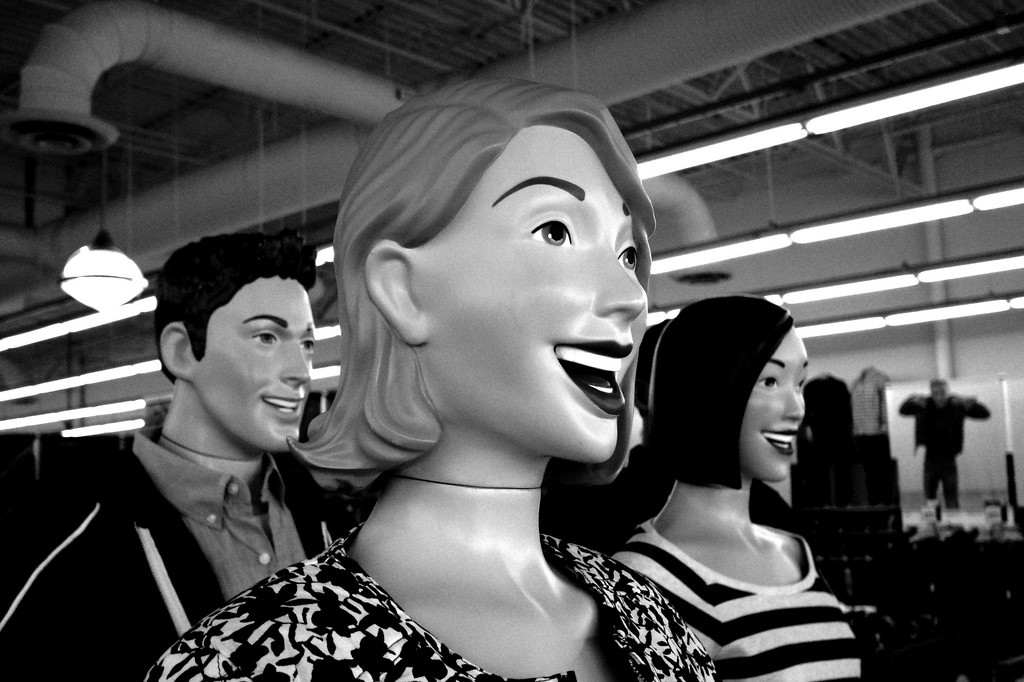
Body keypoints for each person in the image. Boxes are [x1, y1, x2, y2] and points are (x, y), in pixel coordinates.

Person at [146, 78, 717, 681]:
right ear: (402, 289)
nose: (631, 296)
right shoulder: (250, 662)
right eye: (556, 231)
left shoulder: (651, 618)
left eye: (627, 254)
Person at [0, 230, 332, 679]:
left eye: (307, 344)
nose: (301, 371)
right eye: (267, 337)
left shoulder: (326, 519)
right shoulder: (71, 545)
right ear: (182, 350)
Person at [614, 296, 861, 681]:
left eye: (799, 384)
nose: (797, 409)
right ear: (709, 388)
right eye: (770, 382)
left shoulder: (795, 552)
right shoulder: (644, 580)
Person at [898, 378, 991, 510]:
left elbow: (985, 414)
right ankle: (933, 521)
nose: (940, 397)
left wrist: (967, 403)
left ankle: (954, 522)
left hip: (949, 459)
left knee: (951, 498)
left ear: (948, 392)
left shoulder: (955, 404)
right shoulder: (925, 404)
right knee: (930, 498)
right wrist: (912, 399)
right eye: (936, 393)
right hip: (930, 458)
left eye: (942, 392)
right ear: (931, 393)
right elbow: (902, 410)